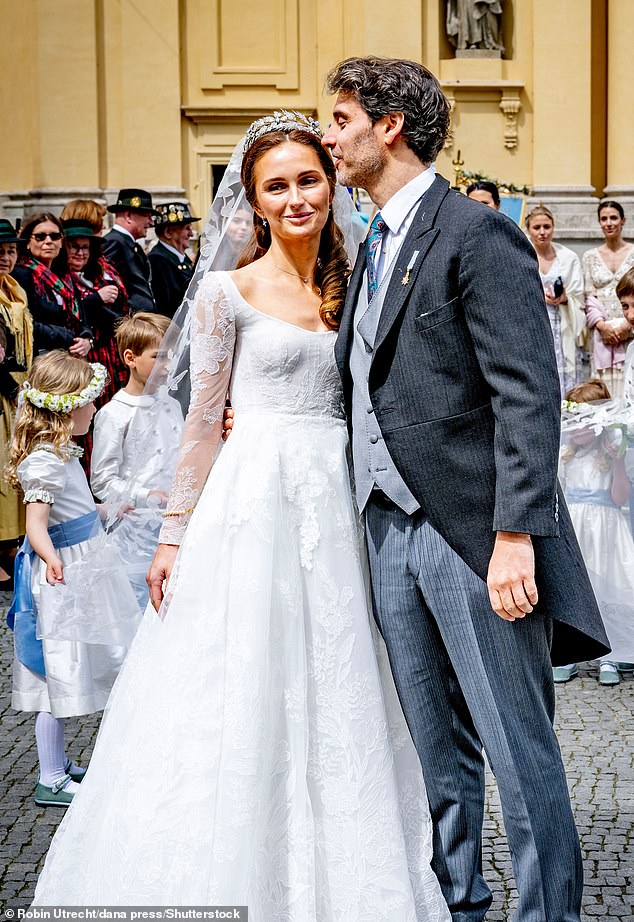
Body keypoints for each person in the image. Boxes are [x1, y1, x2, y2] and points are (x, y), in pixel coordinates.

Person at [32, 112, 450, 918]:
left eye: (308, 179)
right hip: (253, 501)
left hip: (340, 498)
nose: (297, 198)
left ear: (333, 184)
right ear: (253, 204)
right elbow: (202, 421)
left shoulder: (362, 280)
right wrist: (175, 534)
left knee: (342, 674)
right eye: (277, 186)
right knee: (244, 676)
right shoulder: (226, 292)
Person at [320, 56, 607, 922]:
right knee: (436, 748)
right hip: (383, 527)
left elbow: (528, 391)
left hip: (473, 536)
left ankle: (548, 913)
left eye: (339, 120)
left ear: (389, 126)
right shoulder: (370, 239)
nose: (330, 137)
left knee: (518, 746)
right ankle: (461, 905)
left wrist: (515, 535)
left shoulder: (477, 233)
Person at [6, 352, 139, 807]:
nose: (94, 411)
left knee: (72, 667)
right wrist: (51, 559)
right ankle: (50, 776)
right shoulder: (44, 461)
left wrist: (106, 510)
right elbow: (37, 523)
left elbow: (73, 511)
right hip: (64, 575)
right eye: (88, 403)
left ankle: (60, 764)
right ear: (65, 407)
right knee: (55, 675)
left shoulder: (61, 454)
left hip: (85, 563)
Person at [91, 312, 183, 606]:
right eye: (159, 357)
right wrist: (145, 496)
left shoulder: (171, 404)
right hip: (136, 530)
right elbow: (102, 480)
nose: (168, 365)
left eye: (172, 356)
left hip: (175, 521)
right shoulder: (115, 414)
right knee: (141, 602)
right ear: (131, 357)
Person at [555, 380, 634, 685]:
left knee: (610, 586)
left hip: (606, 530)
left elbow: (619, 498)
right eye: (571, 422)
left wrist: (616, 464)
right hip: (577, 528)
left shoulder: (614, 454)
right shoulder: (566, 454)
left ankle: (612, 655)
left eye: (582, 422)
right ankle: (571, 653)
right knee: (577, 588)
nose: (575, 428)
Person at [62, 218, 128, 406]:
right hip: (81, 357)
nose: (81, 253)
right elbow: (73, 311)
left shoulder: (97, 275)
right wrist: (96, 299)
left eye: (85, 248)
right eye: (74, 247)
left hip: (107, 354)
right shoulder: (60, 279)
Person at [0, 218, 33, 584]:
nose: (6, 258)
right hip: (5, 389)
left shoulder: (15, 289)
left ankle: (12, 541)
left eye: (10, 251)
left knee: (14, 465)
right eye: (0, 252)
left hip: (19, 384)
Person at [13, 213, 93, 357]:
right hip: (41, 358)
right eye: (40, 237)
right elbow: (26, 323)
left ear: (62, 242)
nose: (48, 241)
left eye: (55, 236)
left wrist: (87, 339)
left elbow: (83, 318)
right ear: (27, 242)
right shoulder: (21, 275)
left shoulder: (65, 276)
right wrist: (69, 337)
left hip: (70, 356)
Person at [525, 205, 585, 395]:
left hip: (564, 325)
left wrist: (566, 298)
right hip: (534, 324)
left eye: (547, 226)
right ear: (528, 229)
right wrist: (538, 296)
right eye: (537, 227)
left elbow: (579, 296)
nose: (542, 232)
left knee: (566, 380)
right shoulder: (522, 255)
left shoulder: (568, 258)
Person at [583, 200, 634, 397]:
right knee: (603, 392)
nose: (609, 223)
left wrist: (626, 326)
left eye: (613, 218)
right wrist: (602, 326)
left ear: (623, 221)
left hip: (629, 327)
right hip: (602, 335)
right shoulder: (590, 256)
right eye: (604, 219)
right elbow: (587, 296)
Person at [102, 189, 157, 314]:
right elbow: (107, 285)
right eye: (146, 216)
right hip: (130, 324)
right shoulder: (114, 242)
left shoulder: (127, 243)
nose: (150, 222)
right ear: (128, 216)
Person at [148, 202, 199, 318]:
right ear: (168, 233)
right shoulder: (158, 260)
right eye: (187, 229)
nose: (191, 234)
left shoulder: (179, 258)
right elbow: (168, 305)